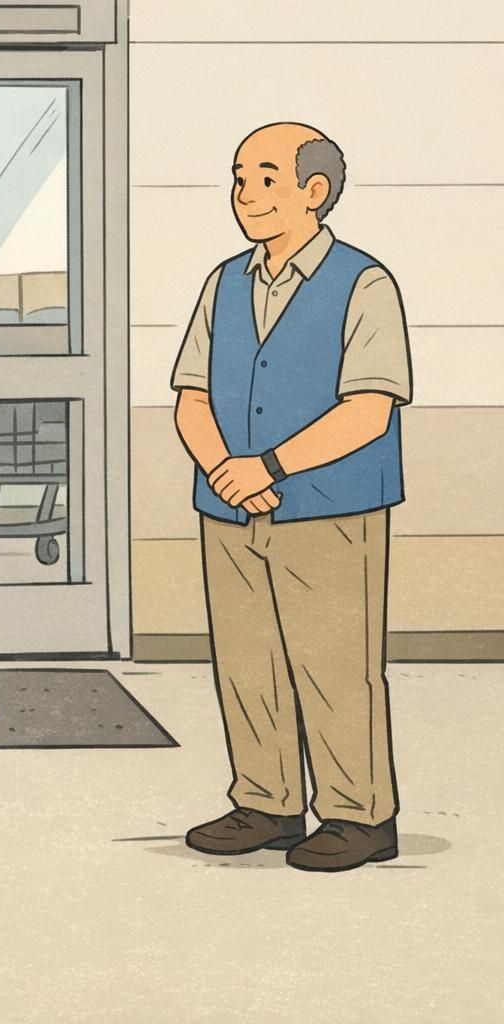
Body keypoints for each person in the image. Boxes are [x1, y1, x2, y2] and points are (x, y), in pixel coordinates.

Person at [171, 122, 412, 871]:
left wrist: (267, 466)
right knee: (247, 661)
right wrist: (223, 469)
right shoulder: (224, 282)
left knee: (334, 660)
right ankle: (265, 802)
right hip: (230, 507)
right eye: (240, 178)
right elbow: (190, 396)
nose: (247, 194)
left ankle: (358, 814)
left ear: (315, 192)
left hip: (331, 509)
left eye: (266, 178)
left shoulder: (363, 283)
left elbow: (370, 406)